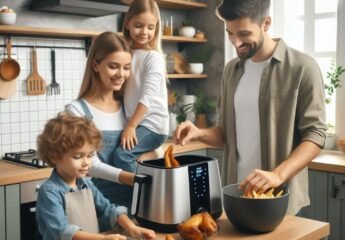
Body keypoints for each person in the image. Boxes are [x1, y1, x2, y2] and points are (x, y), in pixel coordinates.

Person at [174, 0, 327, 215]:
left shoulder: (302, 68)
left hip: (278, 198)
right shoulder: (231, 71)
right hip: (235, 197)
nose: (236, 43)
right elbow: (225, 134)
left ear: (266, 24)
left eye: (244, 34)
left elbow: (316, 134)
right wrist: (199, 133)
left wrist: (278, 175)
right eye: (230, 33)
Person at [36, 112, 156, 240]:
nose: (86, 162)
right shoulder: (50, 192)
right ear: (55, 156)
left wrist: (132, 228)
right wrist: (103, 238)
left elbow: (109, 209)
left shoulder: (86, 184)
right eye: (78, 156)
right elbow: (62, 231)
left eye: (89, 155)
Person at [65, 31, 135, 209]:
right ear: (95, 65)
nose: (121, 74)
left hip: (135, 199)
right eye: (113, 66)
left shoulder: (130, 108)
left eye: (127, 67)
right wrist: (135, 179)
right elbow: (91, 165)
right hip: (96, 205)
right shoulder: (76, 110)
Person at [121, 0, 169, 153]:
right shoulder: (126, 54)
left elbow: (147, 97)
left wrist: (131, 126)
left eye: (150, 27)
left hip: (153, 126)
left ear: (156, 28)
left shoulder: (153, 57)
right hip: (136, 123)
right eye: (138, 25)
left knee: (122, 155)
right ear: (128, 23)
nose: (144, 32)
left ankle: (136, 179)